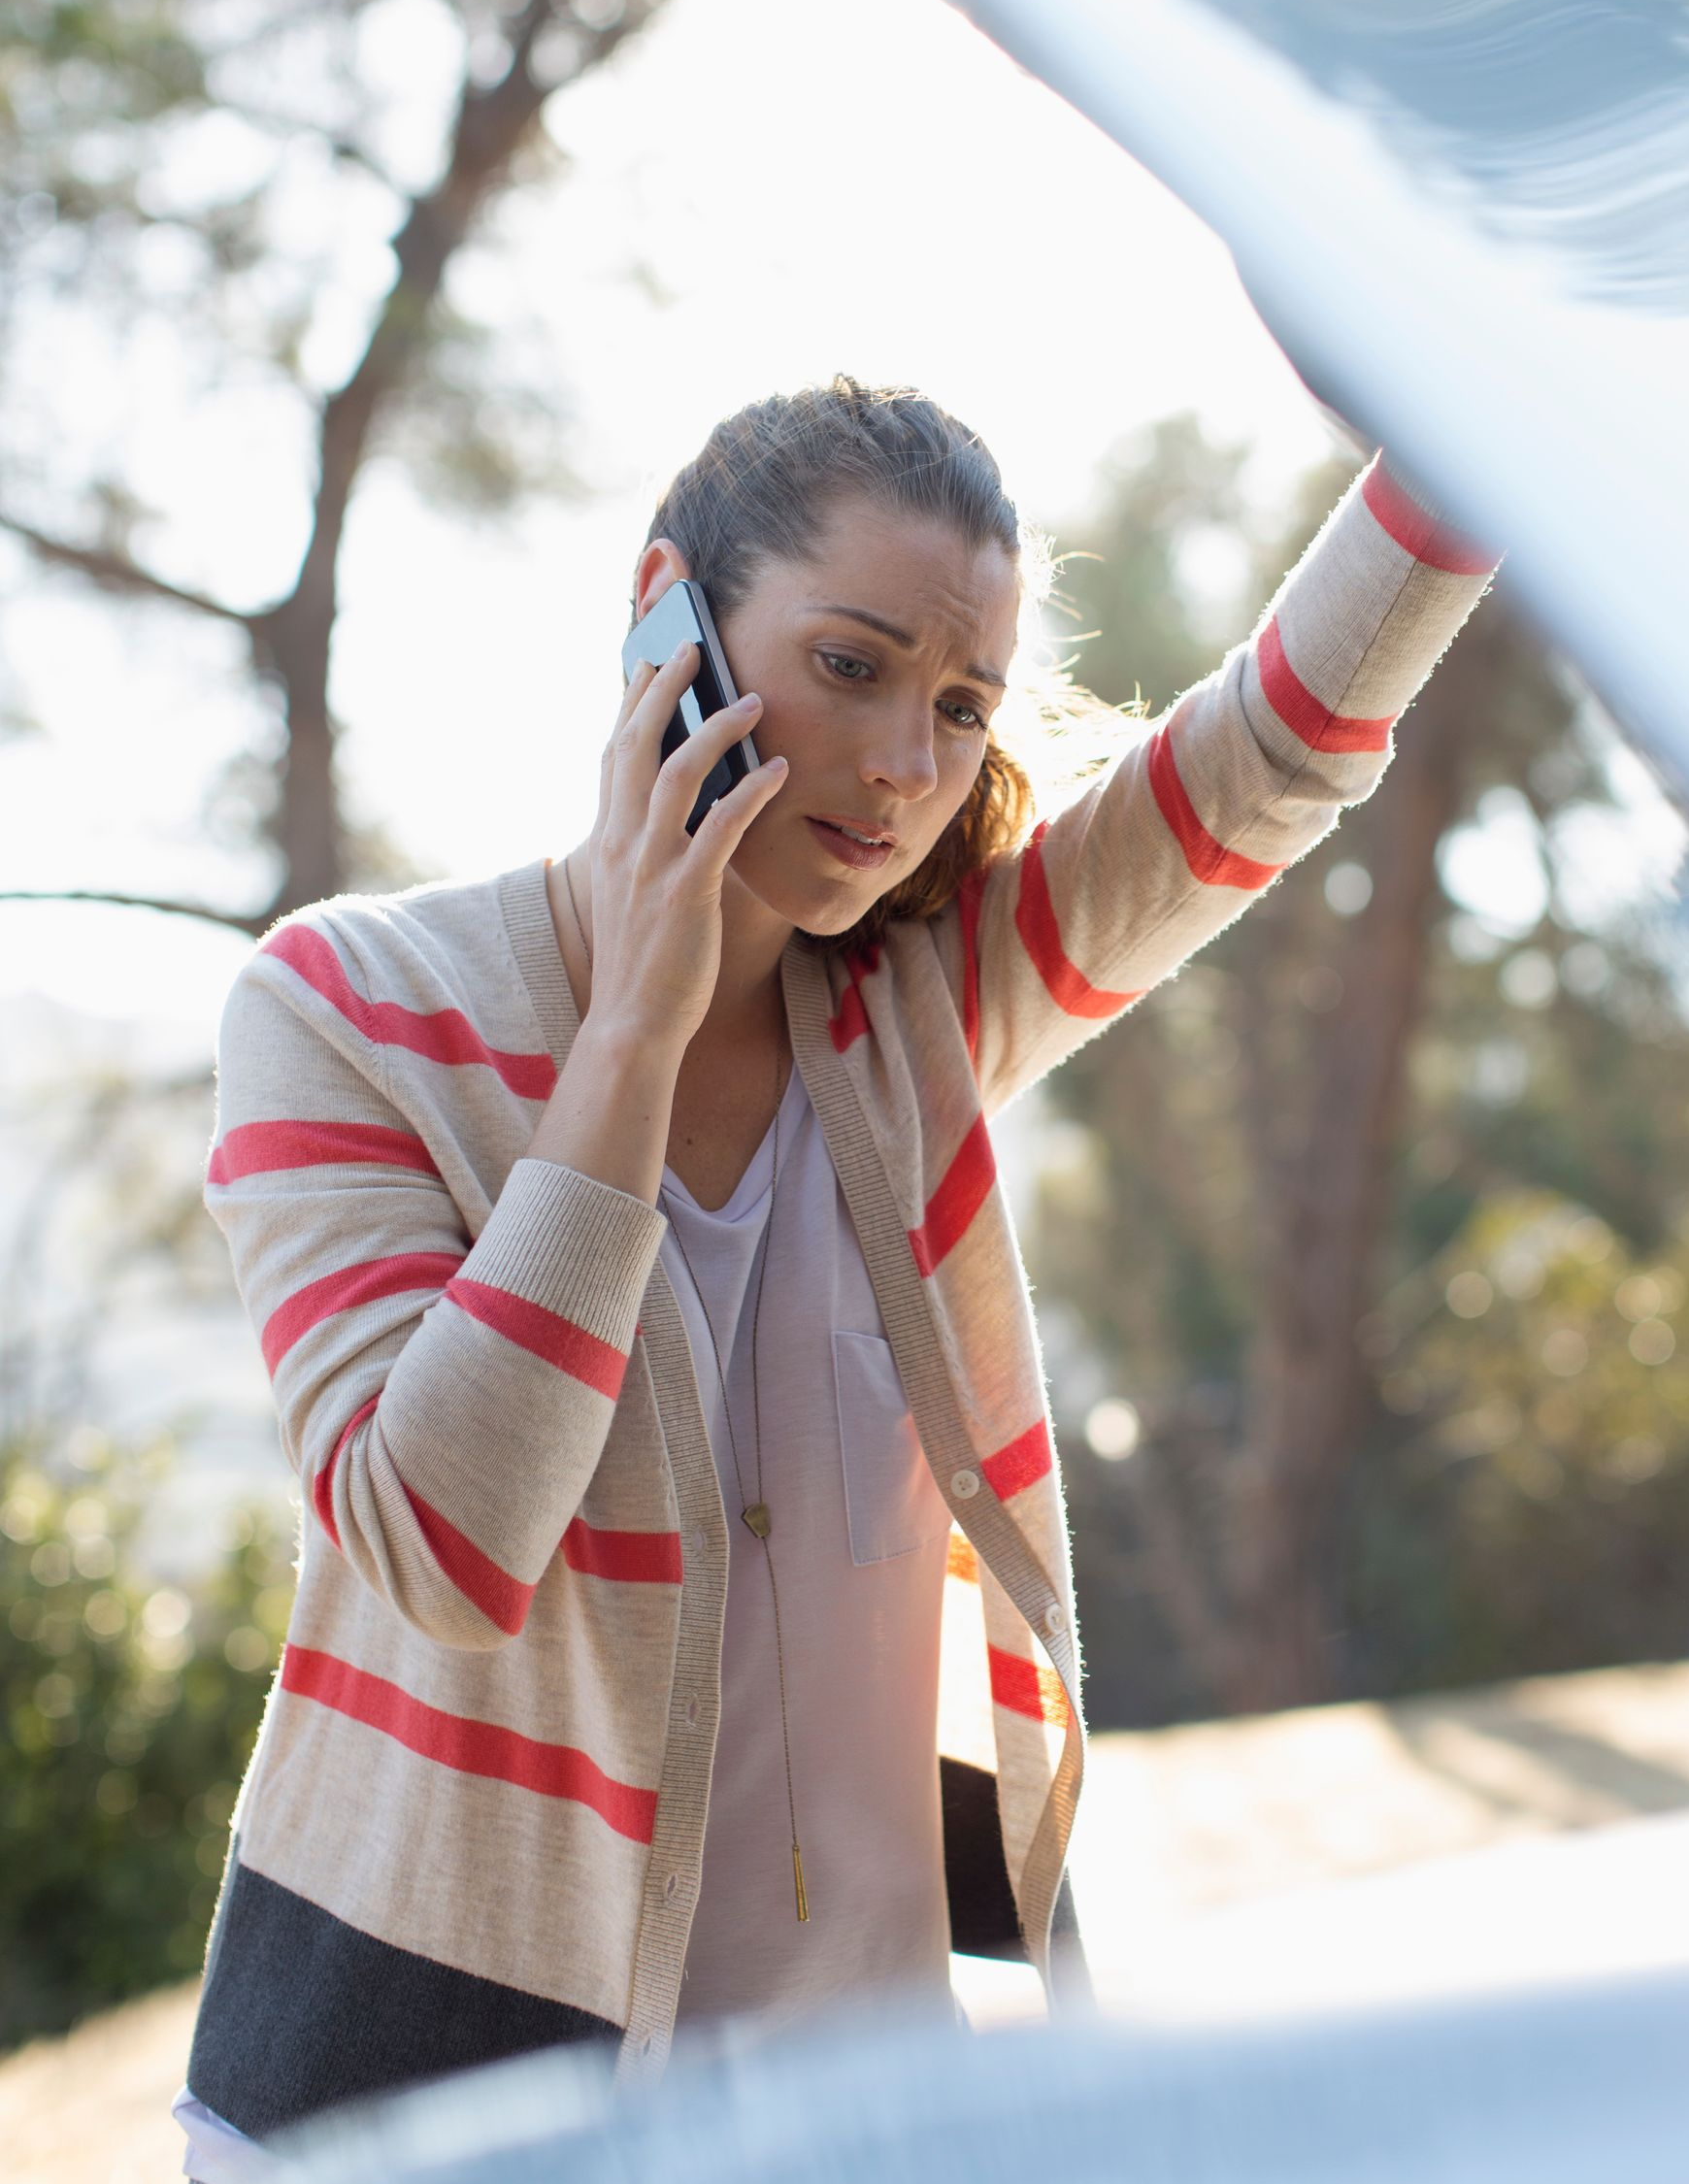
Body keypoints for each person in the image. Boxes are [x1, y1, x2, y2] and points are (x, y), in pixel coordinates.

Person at [170, 373, 1502, 2173]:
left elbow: (1261, 760)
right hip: (436, 2123)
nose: (907, 769)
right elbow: (444, 1546)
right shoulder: (340, 1014)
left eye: (961, 706)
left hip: (877, 2114)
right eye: (853, 665)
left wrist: (1475, 415)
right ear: (672, 615)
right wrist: (631, 1027)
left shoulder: (916, 1018)